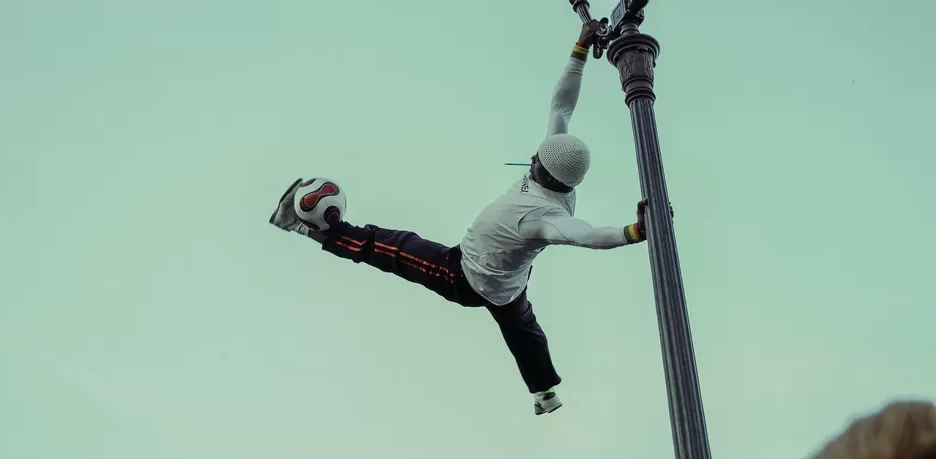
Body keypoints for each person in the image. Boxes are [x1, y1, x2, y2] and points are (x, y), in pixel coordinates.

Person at [269, 20, 657, 416]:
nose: (533, 156)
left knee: (389, 246)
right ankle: (544, 394)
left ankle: (304, 227)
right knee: (526, 335)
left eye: (536, 160)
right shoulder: (558, 168)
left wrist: (633, 231)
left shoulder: (546, 217)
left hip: (464, 275)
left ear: (546, 172)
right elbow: (561, 106)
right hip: (509, 284)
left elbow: (584, 235)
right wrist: (578, 50)